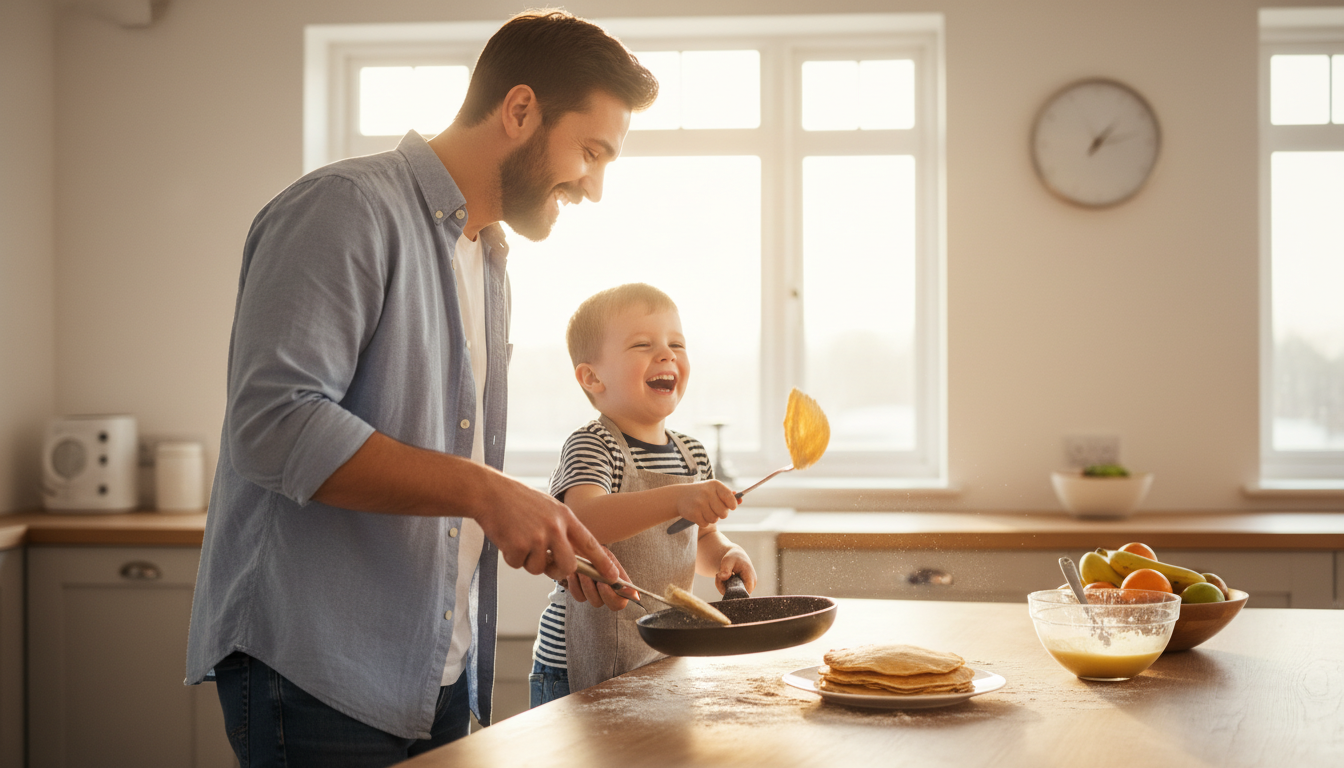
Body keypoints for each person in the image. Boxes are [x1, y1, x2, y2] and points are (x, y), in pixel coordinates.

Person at [184, 10, 658, 766]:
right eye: (590, 151)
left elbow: (434, 468)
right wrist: (486, 493)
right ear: (521, 110)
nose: (594, 188)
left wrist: (526, 522)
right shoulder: (345, 209)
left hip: (435, 673)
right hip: (314, 673)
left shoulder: (488, 256)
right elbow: (274, 426)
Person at [529, 283, 758, 706]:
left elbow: (700, 538)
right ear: (591, 376)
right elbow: (584, 521)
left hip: (661, 656)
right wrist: (677, 498)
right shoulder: (594, 444)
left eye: (676, 343)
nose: (667, 354)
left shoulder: (691, 453)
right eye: (642, 344)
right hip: (576, 669)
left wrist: (725, 554)